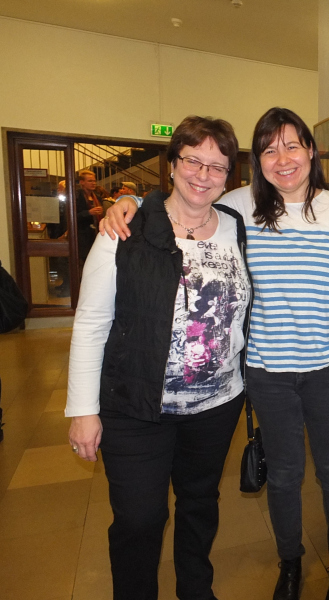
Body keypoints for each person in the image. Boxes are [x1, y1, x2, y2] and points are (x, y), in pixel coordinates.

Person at [103, 107, 329, 600]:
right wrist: (130, 200)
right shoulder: (240, 208)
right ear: (257, 162)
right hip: (268, 372)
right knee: (285, 475)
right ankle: (290, 564)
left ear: (311, 151)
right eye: (269, 149)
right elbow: (185, 197)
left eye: (292, 146)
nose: (282, 159)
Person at [66, 115, 251, 600]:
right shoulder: (126, 227)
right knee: (139, 518)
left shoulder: (234, 226)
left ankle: (196, 590)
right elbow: (91, 322)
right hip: (136, 406)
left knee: (199, 504)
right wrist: (82, 410)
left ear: (228, 176)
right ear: (172, 164)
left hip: (216, 406)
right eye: (193, 160)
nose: (203, 175)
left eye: (217, 166)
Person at [74, 169, 104, 263]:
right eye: (90, 181)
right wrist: (88, 213)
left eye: (94, 181)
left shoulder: (97, 197)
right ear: (82, 182)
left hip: (95, 234)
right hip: (82, 236)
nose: (93, 183)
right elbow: (71, 217)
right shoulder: (76, 196)